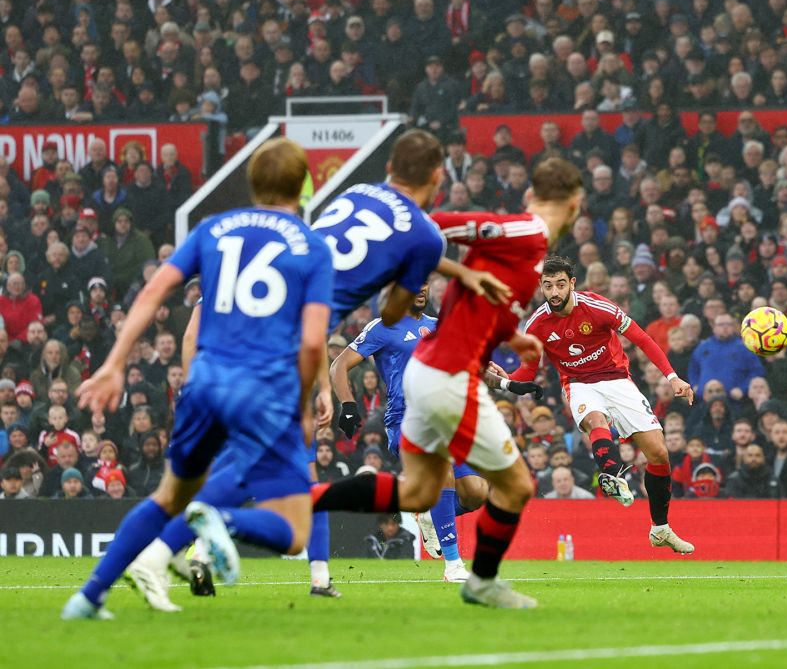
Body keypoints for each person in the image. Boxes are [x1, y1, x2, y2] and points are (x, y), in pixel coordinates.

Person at [124, 130, 513, 607]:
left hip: (251, 343)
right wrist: (330, 390)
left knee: (249, 471)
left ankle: (162, 557)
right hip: (285, 348)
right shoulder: (419, 237)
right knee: (279, 486)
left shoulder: (341, 202)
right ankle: (183, 544)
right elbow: (381, 317)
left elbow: (188, 322)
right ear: (436, 176)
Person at [62, 138, 335, 620]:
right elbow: (313, 343)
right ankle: (220, 520)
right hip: (264, 392)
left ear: (252, 182)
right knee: (293, 526)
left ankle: (88, 597)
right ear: (302, 185)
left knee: (169, 495)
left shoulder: (214, 228)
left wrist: (113, 363)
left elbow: (154, 291)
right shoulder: (311, 247)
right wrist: (303, 408)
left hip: (204, 383)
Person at [312, 158, 585, 609]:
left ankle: (313, 497)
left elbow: (474, 306)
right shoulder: (528, 233)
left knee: (458, 491)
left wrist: (507, 338)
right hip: (442, 379)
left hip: (442, 372)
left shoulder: (523, 247)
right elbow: (438, 224)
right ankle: (465, 571)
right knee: (509, 485)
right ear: (574, 204)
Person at [330, 284, 540, 582]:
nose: (420, 290)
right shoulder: (383, 326)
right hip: (407, 419)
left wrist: (508, 386)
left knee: (477, 493)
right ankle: (453, 565)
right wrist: (348, 405)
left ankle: (429, 511)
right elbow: (339, 365)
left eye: (424, 284)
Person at [504, 255, 696, 554]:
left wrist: (672, 377)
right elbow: (527, 373)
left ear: (572, 284)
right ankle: (612, 474)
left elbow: (642, 339)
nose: (553, 292)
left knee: (658, 453)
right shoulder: (537, 325)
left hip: (618, 379)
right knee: (596, 420)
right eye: (547, 286)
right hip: (578, 384)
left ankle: (660, 529)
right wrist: (503, 379)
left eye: (559, 285)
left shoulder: (597, 307)